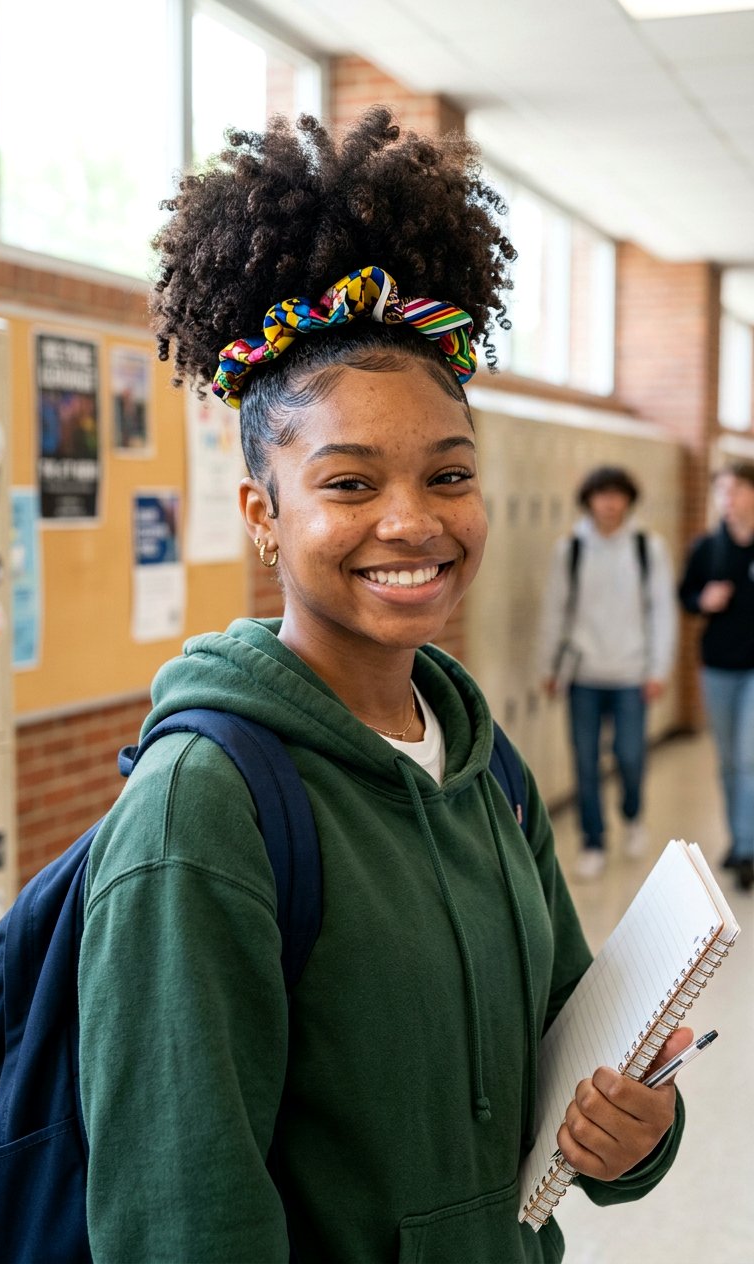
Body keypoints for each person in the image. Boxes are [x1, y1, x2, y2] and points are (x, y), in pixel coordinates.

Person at [78, 110, 688, 1264]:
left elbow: (574, 1057)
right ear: (264, 512)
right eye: (348, 483)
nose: (412, 522)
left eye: (446, 473)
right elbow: (181, 1227)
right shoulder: (206, 810)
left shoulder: (482, 766)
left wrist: (637, 1131)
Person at [539, 466, 677, 881]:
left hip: (632, 673)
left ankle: (633, 816)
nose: (609, 503)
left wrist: (658, 669)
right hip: (583, 673)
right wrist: (549, 666)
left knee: (631, 757)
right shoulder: (572, 549)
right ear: (589, 500)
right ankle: (593, 841)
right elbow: (554, 610)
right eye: (601, 495)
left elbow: (662, 610)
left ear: (628, 500)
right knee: (584, 761)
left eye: (617, 495)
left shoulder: (647, 547)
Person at [679, 460, 754, 893]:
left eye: (737, 489)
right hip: (719, 666)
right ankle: (738, 836)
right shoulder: (708, 548)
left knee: (747, 758)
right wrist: (702, 599)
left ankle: (746, 847)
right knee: (728, 761)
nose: (728, 498)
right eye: (722, 491)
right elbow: (685, 595)